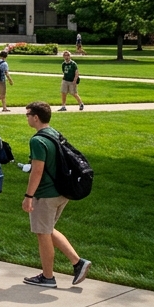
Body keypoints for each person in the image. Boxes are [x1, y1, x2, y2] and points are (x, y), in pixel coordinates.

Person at [22, 102, 91, 288]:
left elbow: (37, 171)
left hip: (46, 195)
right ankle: (78, 263)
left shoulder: (37, 140)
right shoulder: (53, 133)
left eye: (28, 114)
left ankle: (48, 277)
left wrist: (28, 196)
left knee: (42, 234)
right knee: (49, 229)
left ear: (35, 117)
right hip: (62, 192)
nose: (26, 117)